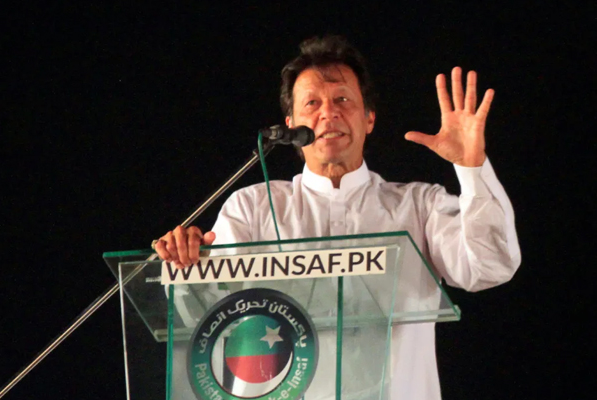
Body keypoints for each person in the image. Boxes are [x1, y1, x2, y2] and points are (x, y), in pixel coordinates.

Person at [154, 35, 521, 399]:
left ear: (370, 117)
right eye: (312, 103)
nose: (328, 113)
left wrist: (472, 168)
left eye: (343, 99)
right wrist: (183, 264)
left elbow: (489, 265)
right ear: (290, 125)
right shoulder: (252, 208)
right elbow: (211, 312)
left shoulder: (419, 206)